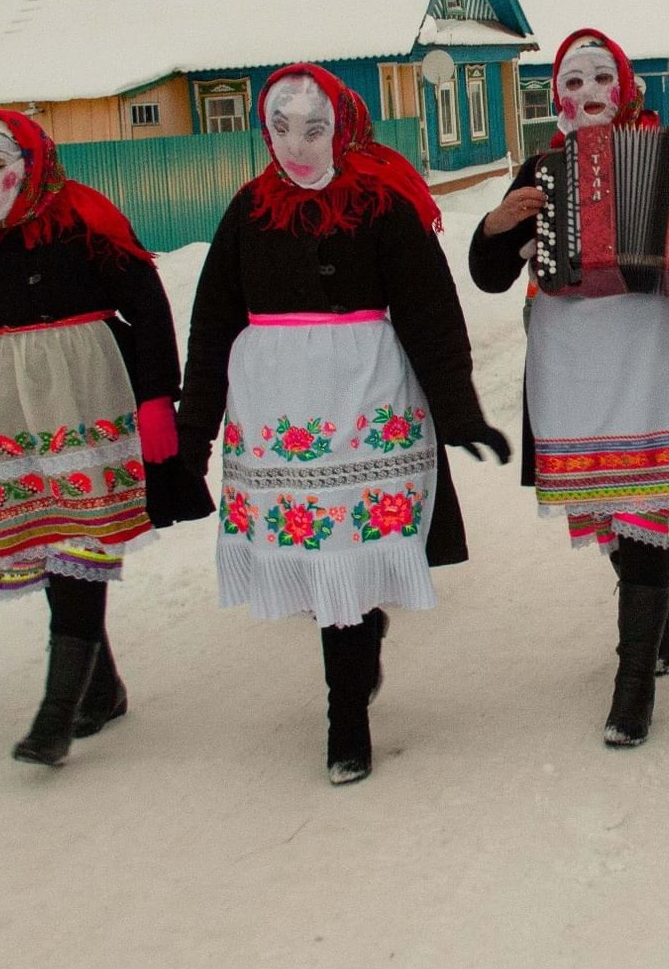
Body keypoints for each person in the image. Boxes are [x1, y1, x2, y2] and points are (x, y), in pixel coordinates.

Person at [177, 65, 508, 785]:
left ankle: (346, 718)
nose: (297, 144)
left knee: (347, 559)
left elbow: (428, 309)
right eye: (281, 128)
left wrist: (457, 408)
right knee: (322, 564)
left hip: (363, 408)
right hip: (279, 420)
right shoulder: (246, 213)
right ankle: (353, 672)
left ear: (342, 127)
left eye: (314, 128)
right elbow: (210, 326)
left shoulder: (381, 208)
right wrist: (190, 436)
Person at [469, 28, 669, 748]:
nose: (589, 94)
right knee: (607, 506)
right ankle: (652, 617)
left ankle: (632, 689)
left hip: (660, 350)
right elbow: (490, 273)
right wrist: (497, 224)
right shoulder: (540, 168)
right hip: (576, 361)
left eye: (603, 79)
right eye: (573, 81)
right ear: (555, 93)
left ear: (626, 85)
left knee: (644, 508)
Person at [0, 109, 208, 767]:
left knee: (79, 538)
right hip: (6, 409)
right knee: (48, 540)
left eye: (0, 163)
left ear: (33, 158)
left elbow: (149, 304)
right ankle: (100, 688)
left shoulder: (85, 218)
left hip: (87, 396)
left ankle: (58, 709)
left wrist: (160, 396)